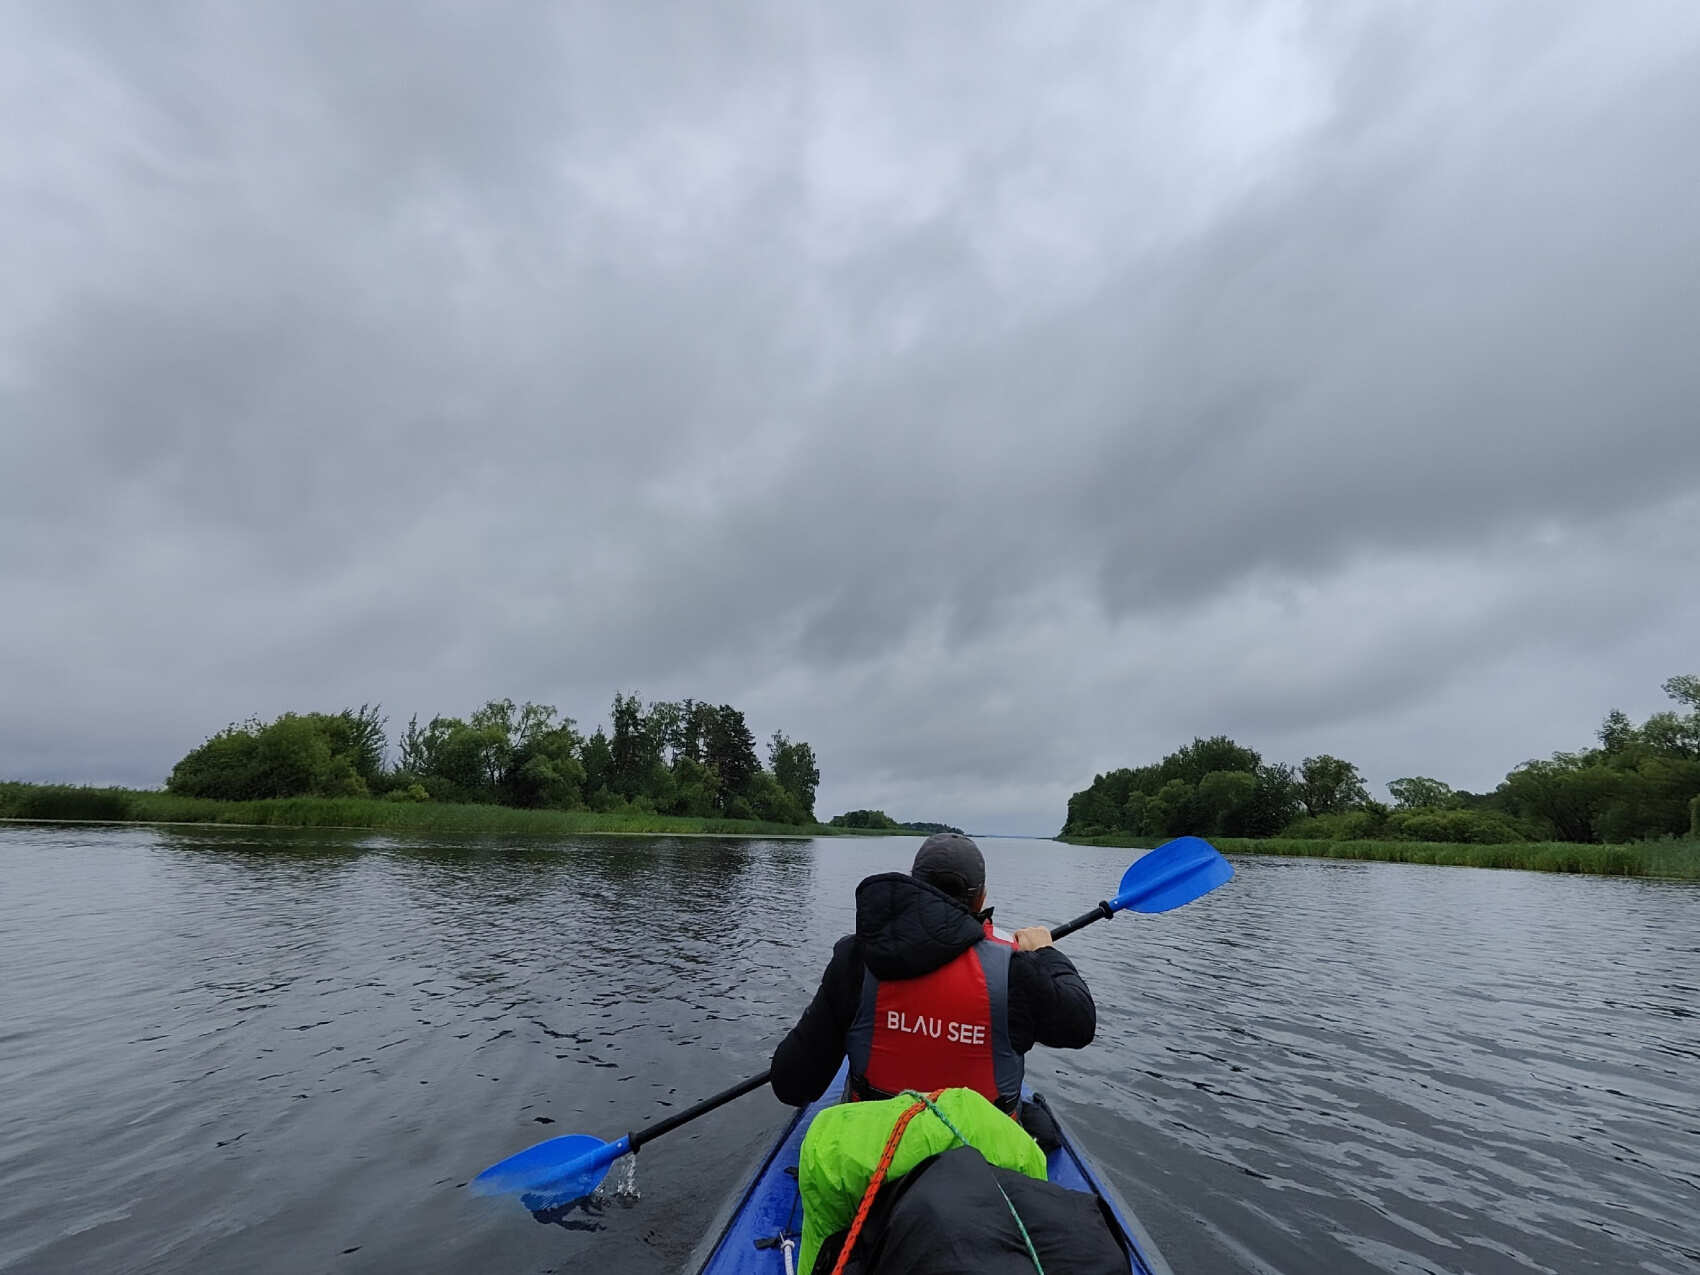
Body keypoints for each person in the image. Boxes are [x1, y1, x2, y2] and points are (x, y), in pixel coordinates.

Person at [769, 832, 1096, 1139]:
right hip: (982, 1163)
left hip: (874, 1154)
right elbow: (1080, 1024)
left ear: (913, 887)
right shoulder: (1015, 970)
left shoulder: (856, 958)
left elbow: (792, 1086)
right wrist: (1044, 952)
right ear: (981, 899)